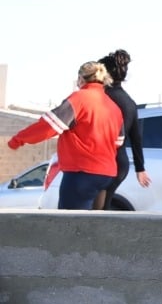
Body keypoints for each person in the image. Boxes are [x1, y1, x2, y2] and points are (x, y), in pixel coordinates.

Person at [7, 61, 124, 210]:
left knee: (71, 221)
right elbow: (119, 141)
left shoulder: (79, 99)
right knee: (94, 221)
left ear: (81, 79)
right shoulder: (113, 106)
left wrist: (18, 140)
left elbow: (48, 126)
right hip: (106, 174)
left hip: (82, 173)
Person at [93, 49, 151, 210]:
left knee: (94, 211)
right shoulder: (129, 102)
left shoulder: (102, 98)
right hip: (121, 163)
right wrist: (140, 168)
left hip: (105, 162)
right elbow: (136, 137)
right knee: (102, 208)